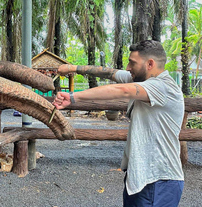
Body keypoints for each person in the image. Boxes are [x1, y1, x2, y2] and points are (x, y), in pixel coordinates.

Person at [54, 40, 184, 207]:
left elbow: (122, 90)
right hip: (139, 178)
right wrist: (72, 68)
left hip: (159, 180)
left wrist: (73, 97)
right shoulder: (141, 80)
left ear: (150, 64)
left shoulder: (163, 87)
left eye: (132, 63)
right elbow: (110, 73)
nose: (128, 68)